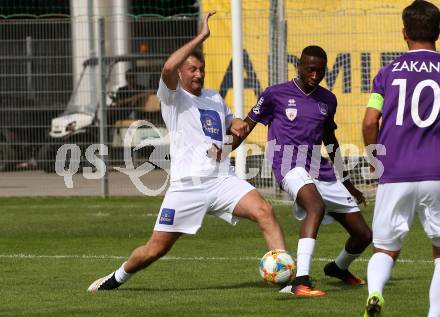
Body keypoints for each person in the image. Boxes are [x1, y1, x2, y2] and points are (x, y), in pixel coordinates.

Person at [87, 11, 287, 292]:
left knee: (265, 211)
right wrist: (201, 37)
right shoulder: (172, 96)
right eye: (192, 69)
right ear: (182, 72)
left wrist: (238, 128)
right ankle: (117, 277)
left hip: (221, 180)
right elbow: (167, 68)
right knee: (155, 250)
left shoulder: (214, 98)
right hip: (188, 186)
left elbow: (231, 134)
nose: (198, 73)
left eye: (201, 69)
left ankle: (288, 278)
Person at [229, 45, 372, 297]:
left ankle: (338, 268)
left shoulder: (328, 100)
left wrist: (347, 182)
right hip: (288, 167)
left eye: (320, 70)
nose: (315, 75)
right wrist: (220, 152)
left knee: (363, 235)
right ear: (299, 66)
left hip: (321, 170)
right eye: (310, 69)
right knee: (315, 207)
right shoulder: (275, 94)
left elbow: (331, 142)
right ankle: (301, 282)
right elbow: (246, 127)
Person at [362, 1, 440, 316]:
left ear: (404, 33)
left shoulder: (387, 73)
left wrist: (374, 159)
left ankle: (376, 294)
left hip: (395, 172)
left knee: (385, 248)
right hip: (437, 172)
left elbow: (369, 122)